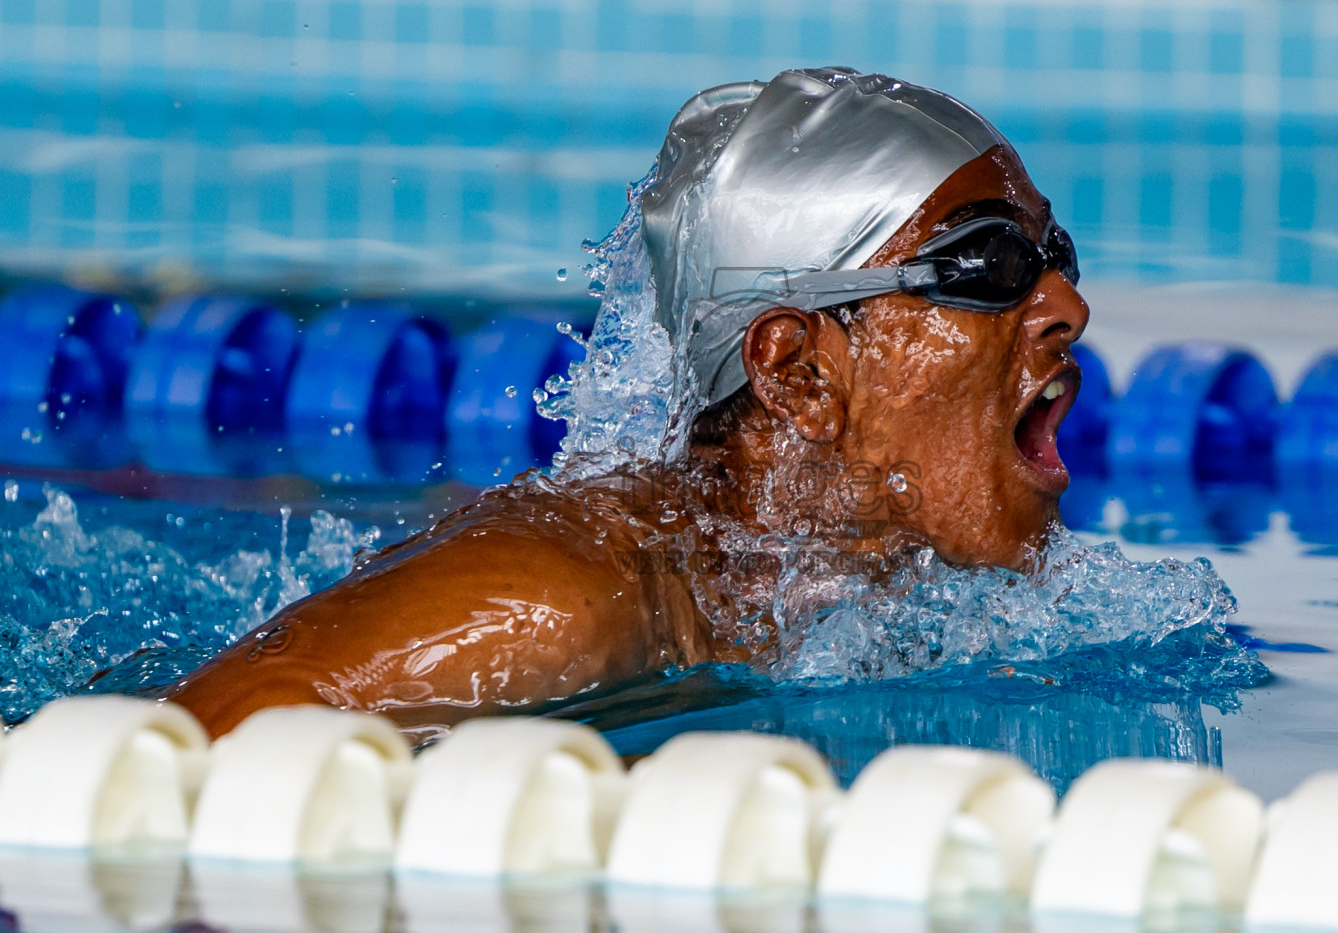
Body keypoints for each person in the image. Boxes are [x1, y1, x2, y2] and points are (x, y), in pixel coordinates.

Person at [167, 67, 1090, 744]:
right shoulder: (558, 599)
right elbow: (143, 775)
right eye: (990, 267)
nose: (1067, 308)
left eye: (1057, 254)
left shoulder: (870, 604)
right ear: (797, 371)